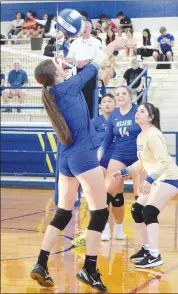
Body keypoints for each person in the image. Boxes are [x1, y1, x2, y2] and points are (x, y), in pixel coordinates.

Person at [30, 38, 127, 291]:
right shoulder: (71, 86)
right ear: (58, 74)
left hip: (65, 158)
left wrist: (60, 65)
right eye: (59, 68)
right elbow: (99, 59)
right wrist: (116, 41)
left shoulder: (51, 92)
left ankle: (41, 263)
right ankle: (89, 270)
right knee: (99, 212)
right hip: (83, 156)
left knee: (63, 212)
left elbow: (58, 73)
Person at [112, 102, 178, 268]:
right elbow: (143, 161)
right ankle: (147, 248)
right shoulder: (141, 136)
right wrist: (124, 171)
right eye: (137, 111)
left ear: (150, 117)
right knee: (137, 209)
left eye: (142, 111)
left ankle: (155, 255)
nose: (137, 113)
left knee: (149, 211)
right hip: (158, 179)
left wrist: (149, 180)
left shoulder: (154, 135)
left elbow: (164, 162)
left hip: (169, 179)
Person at [72, 93, 116, 246]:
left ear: (115, 104)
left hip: (118, 160)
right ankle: (103, 228)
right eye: (104, 101)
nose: (107, 104)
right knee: (102, 193)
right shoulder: (95, 122)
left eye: (110, 101)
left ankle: (116, 227)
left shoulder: (119, 119)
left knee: (115, 196)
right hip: (100, 161)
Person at [99, 86, 142, 241]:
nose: (120, 96)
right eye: (117, 94)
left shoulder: (138, 111)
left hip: (139, 157)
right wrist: (99, 154)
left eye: (123, 93)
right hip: (119, 155)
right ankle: (104, 227)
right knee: (106, 192)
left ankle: (146, 240)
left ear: (130, 96)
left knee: (140, 197)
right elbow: (108, 138)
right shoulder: (114, 115)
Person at [66, 21, 102, 118]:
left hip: (91, 72)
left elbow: (101, 58)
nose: (85, 29)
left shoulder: (96, 42)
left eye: (87, 27)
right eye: (83, 27)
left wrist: (88, 61)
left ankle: (93, 121)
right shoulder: (75, 43)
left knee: (91, 99)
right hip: (77, 72)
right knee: (79, 98)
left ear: (91, 29)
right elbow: (69, 59)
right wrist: (76, 61)